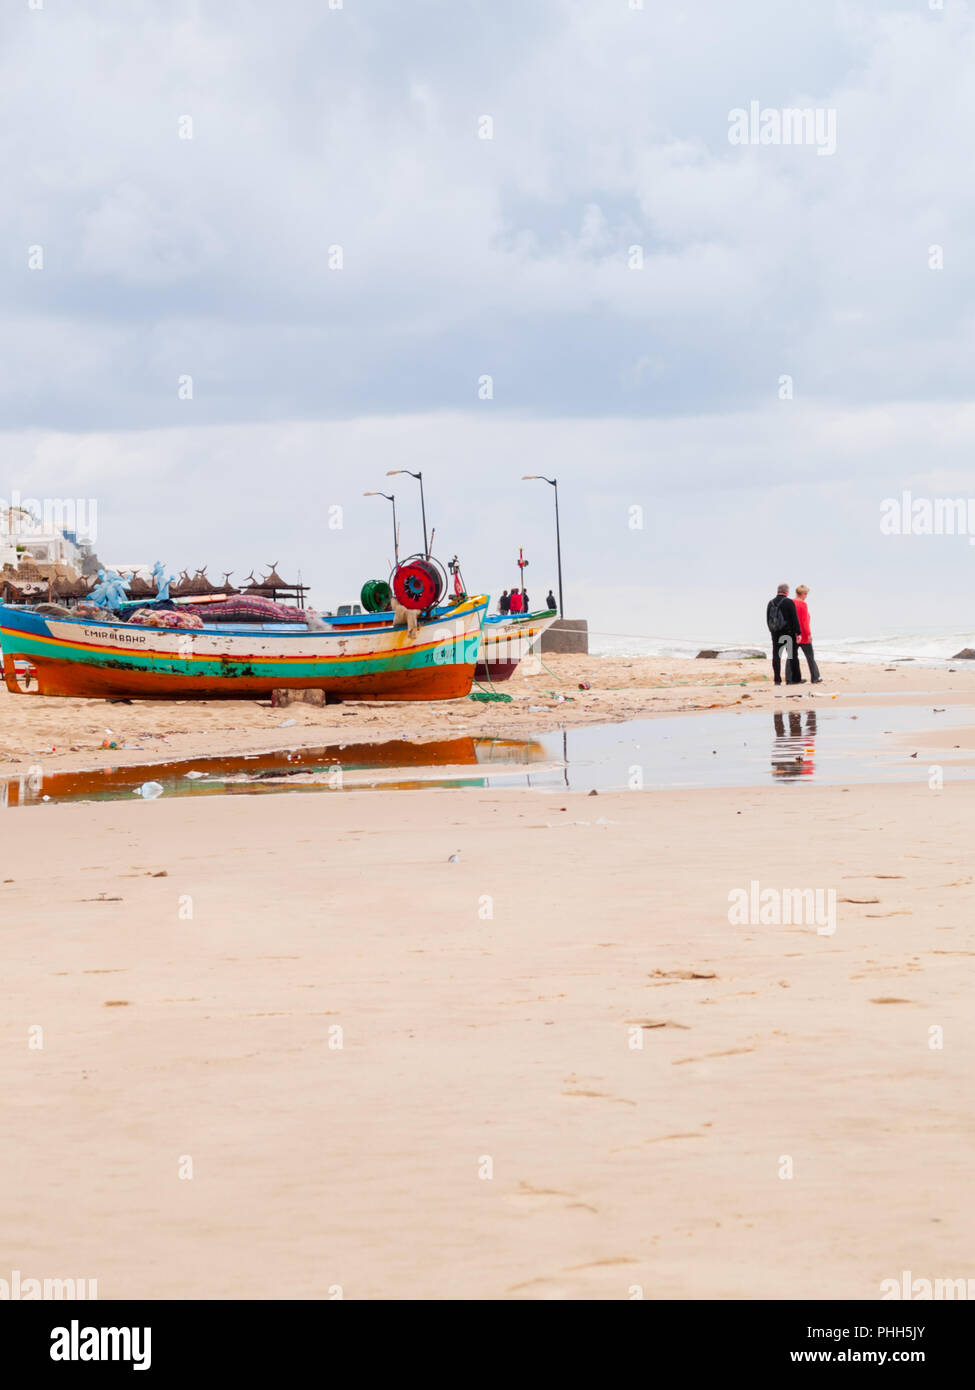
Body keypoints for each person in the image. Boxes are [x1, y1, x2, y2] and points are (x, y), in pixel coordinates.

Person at [766, 583, 802, 685]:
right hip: (788, 634)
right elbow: (795, 619)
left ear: (778, 591)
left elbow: (767, 619)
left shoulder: (770, 603)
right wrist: (798, 632)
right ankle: (795, 679)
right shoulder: (789, 602)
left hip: (775, 634)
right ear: (786, 592)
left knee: (776, 656)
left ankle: (777, 680)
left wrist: (772, 631)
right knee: (792, 656)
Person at [794, 585, 822, 683]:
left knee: (791, 657)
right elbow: (804, 621)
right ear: (802, 594)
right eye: (806, 594)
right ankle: (815, 677)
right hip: (803, 636)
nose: (806, 596)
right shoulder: (802, 604)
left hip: (793, 635)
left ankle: (791, 679)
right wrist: (809, 634)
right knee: (810, 657)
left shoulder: (790, 603)